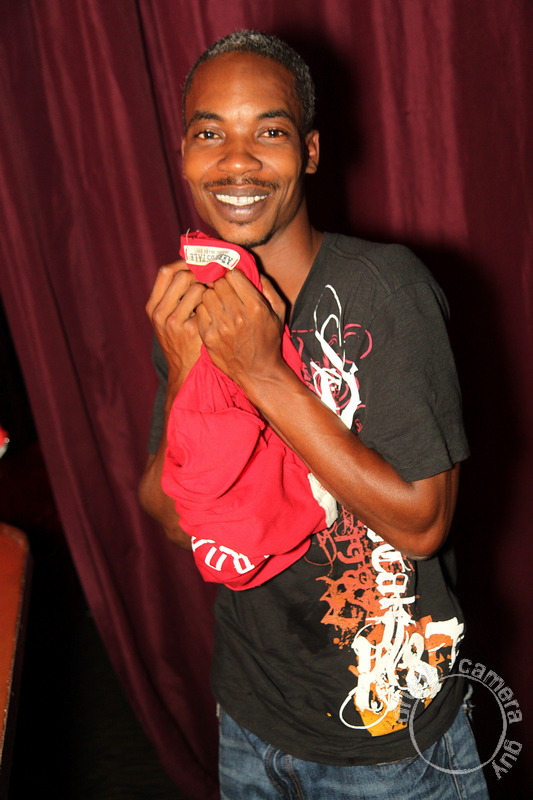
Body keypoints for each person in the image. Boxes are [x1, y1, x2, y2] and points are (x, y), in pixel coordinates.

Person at [139, 30, 488, 799]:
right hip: (251, 714)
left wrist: (261, 373)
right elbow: (170, 517)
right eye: (209, 134)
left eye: (268, 131)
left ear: (310, 151)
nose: (235, 162)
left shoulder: (384, 288)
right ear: (185, 153)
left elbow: (423, 523)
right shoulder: (196, 301)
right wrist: (192, 364)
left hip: (389, 743)